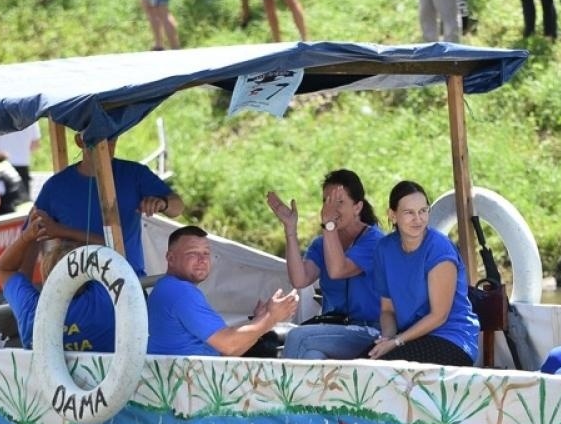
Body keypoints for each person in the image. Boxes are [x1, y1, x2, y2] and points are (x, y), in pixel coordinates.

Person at [266, 171, 385, 361]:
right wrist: (290, 229)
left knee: (298, 337)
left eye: (339, 202)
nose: (330, 209)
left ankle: (283, 391)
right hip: (334, 328)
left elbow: (339, 270)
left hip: (370, 331)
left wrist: (328, 224)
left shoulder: (375, 241)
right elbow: (300, 279)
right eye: (326, 201)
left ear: (357, 207)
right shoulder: (322, 243)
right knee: (312, 355)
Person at [366, 181, 479, 366]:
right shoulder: (384, 249)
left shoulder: (439, 248)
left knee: (384, 368)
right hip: (408, 338)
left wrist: (396, 342)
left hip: (452, 339)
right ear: (392, 215)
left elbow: (439, 316)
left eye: (423, 211)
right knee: (363, 364)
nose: (418, 219)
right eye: (409, 212)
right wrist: (387, 339)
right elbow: (387, 310)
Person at [33, 138, 182, 275]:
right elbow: (30, 235)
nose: (107, 144)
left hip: (128, 282)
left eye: (112, 137)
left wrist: (163, 203)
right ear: (79, 140)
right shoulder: (55, 186)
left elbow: (178, 207)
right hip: (78, 287)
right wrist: (34, 292)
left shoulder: (134, 174)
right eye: (98, 138)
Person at [147, 225, 299, 357]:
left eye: (206, 253)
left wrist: (260, 320)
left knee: (274, 340)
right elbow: (228, 346)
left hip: (196, 376)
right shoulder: (180, 291)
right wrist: (271, 318)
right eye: (192, 253)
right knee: (293, 341)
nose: (202, 260)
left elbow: (231, 349)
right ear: (171, 258)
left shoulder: (169, 287)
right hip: (191, 383)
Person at [0, 211, 114, 352]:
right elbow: (112, 251)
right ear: (87, 275)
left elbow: (4, 269)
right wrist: (60, 230)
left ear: (47, 278)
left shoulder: (32, 311)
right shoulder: (103, 300)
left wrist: (27, 237)